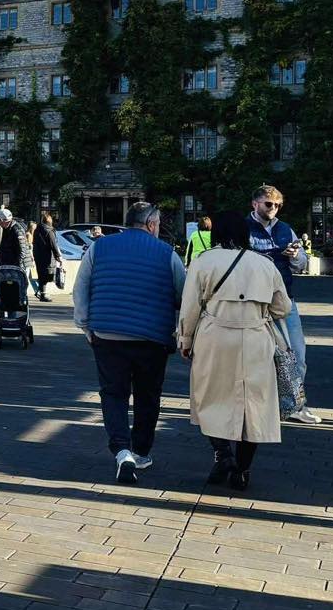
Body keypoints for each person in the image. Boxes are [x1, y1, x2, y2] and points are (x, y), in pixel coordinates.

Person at [73, 201, 186, 484]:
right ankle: (142, 452)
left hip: (108, 334)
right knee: (148, 396)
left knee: (113, 394)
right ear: (150, 225)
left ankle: (121, 450)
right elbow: (185, 296)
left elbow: (81, 287)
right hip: (152, 339)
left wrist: (86, 326)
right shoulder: (167, 254)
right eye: (158, 224)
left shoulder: (99, 248)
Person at [177, 211, 290, 491]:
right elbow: (282, 308)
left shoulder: (204, 262)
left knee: (209, 398)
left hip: (214, 336)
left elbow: (190, 306)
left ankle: (222, 453)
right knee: (254, 405)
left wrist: (186, 340)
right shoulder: (264, 265)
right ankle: (243, 469)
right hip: (255, 337)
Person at [247, 185, 318, 424]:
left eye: (278, 205)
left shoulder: (286, 229)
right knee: (257, 357)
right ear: (255, 203)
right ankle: (259, 404)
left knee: (296, 352)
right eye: (269, 204)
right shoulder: (245, 228)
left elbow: (301, 264)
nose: (274, 209)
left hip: (284, 299)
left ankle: (295, 405)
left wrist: (295, 255)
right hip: (253, 301)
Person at [32, 212, 64, 303]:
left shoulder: (37, 230)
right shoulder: (49, 231)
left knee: (41, 275)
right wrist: (58, 256)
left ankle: (42, 292)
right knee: (48, 275)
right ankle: (43, 293)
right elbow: (53, 245)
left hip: (39, 256)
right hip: (48, 257)